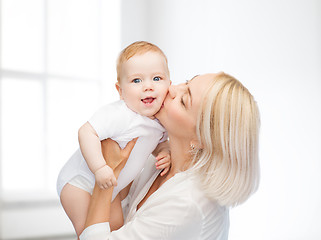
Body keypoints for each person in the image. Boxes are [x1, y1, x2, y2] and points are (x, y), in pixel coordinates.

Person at [79, 72, 261, 240]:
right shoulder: (161, 159)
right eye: (187, 82)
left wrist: (107, 175)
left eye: (184, 100)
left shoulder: (188, 203)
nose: (172, 88)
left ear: (201, 139)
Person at [56, 41, 172, 237]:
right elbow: (86, 132)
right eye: (137, 81)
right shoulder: (121, 114)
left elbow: (158, 142)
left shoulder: (160, 121)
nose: (148, 86)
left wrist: (164, 151)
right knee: (88, 230)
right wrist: (100, 167)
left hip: (111, 188)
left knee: (117, 228)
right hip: (79, 183)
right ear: (120, 91)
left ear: (169, 83)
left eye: (157, 78)